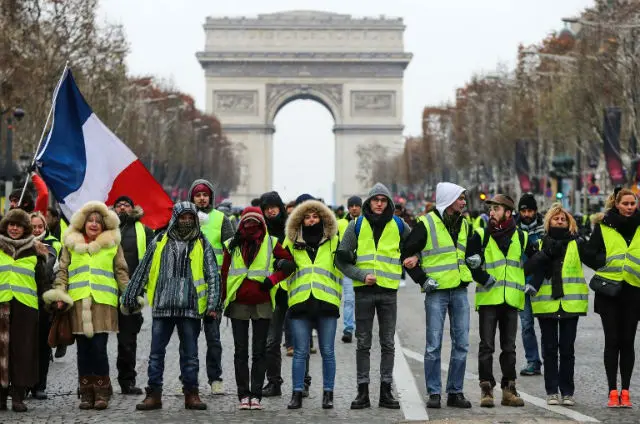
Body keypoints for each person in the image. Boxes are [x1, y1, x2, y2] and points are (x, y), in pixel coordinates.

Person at [123, 201, 222, 411]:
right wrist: (130, 295)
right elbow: (143, 269)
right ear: (175, 218)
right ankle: (154, 395)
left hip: (191, 308)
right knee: (156, 354)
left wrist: (212, 304)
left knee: (190, 355)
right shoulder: (160, 240)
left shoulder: (202, 243)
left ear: (195, 219)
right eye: (182, 217)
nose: (186, 221)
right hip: (162, 307)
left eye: (190, 217)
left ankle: (191, 394)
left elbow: (213, 275)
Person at [43, 201, 129, 410]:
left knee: (99, 349)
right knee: (83, 350)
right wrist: (60, 293)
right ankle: (86, 392)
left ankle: (101, 391)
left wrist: (128, 295)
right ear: (83, 223)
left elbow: (121, 271)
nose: (94, 224)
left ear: (104, 224)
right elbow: (63, 271)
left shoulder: (112, 244)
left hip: (103, 304)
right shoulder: (70, 244)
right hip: (78, 303)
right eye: (90, 220)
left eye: (98, 221)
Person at [336, 182, 410, 410]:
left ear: (388, 203)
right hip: (364, 292)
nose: (379, 204)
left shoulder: (399, 225)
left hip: (388, 292)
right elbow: (340, 260)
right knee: (363, 343)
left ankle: (386, 392)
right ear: (369, 202)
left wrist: (414, 257)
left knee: (388, 343)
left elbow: (417, 244)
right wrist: (361, 275)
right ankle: (363, 392)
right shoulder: (355, 225)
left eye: (383, 200)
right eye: (375, 200)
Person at [401, 182, 472, 409]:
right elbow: (405, 253)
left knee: (462, 344)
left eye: (463, 198)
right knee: (433, 345)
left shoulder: (465, 224)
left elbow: (471, 251)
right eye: (460, 198)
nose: (464, 202)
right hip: (436, 292)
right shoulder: (426, 223)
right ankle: (434, 393)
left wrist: (476, 260)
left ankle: (455, 392)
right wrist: (421, 278)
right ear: (449, 200)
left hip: (459, 290)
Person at [221, 207, 294, 410]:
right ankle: (243, 395)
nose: (251, 225)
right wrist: (221, 300)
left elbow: (290, 264)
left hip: (263, 303)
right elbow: (224, 274)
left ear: (261, 223)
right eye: (247, 222)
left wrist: (273, 280)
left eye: (254, 221)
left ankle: (256, 395)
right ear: (241, 223)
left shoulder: (271, 242)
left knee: (259, 351)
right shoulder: (232, 244)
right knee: (240, 352)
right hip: (238, 303)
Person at [466, 194, 528, 408]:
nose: (491, 213)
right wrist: (483, 277)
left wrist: (532, 281)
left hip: (511, 299)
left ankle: (509, 390)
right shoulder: (481, 235)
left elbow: (537, 260)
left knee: (509, 348)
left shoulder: (522, 237)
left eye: (496, 209)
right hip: (489, 298)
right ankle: (486, 390)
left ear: (508, 213)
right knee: (486, 346)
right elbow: (469, 262)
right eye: (490, 209)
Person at [580, 188, 640, 408]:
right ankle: (612, 391)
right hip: (609, 292)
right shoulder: (604, 226)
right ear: (617, 204)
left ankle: (626, 391)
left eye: (632, 204)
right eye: (625, 204)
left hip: (634, 291)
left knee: (628, 342)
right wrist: (604, 261)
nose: (629, 207)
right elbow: (588, 253)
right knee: (612, 341)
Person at [524, 204, 588, 406]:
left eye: (563, 219)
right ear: (548, 221)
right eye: (556, 218)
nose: (560, 221)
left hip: (570, 303)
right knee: (550, 350)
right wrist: (544, 254)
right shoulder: (539, 244)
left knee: (567, 350)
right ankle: (551, 391)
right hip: (546, 304)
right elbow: (527, 268)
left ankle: (567, 392)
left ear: (569, 223)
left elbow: (595, 258)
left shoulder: (577, 243)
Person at [283, 199, 341, 410]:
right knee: (300, 352)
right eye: (307, 217)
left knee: (327, 351)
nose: (311, 220)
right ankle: (297, 393)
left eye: (315, 216)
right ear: (300, 220)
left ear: (323, 219)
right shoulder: (290, 242)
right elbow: (279, 270)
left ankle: (328, 393)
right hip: (300, 303)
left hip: (327, 302)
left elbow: (344, 267)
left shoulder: (334, 241)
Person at [0, 209, 50, 412]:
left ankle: (18, 396)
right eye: (11, 224)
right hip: (1, 305)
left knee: (23, 352)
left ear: (25, 229)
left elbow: (43, 281)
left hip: (26, 308)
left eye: (19, 225)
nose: (14, 228)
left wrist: (51, 302)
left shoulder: (35, 250)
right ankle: (0, 396)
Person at [188, 179, 234, 395]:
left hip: (214, 287)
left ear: (211, 197)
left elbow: (231, 251)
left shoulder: (221, 219)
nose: (202, 198)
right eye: (198, 195)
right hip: (189, 286)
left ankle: (215, 378)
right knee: (189, 338)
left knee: (213, 338)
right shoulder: (184, 218)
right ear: (192, 198)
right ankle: (187, 379)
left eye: (205, 195)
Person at [111, 195, 154, 395]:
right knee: (97, 341)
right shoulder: (104, 229)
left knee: (127, 342)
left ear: (132, 208)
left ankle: (127, 381)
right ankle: (96, 382)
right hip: (105, 292)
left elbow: (152, 259)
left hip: (131, 294)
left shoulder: (144, 231)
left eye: (126, 205)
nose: (122, 208)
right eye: (118, 205)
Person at [260, 191, 294, 398]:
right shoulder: (260, 230)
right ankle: (274, 382)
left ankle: (303, 383)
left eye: (273, 207)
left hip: (294, 290)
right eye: (266, 208)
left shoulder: (293, 228)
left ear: (280, 207)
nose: (271, 211)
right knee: (271, 342)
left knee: (299, 341)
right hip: (272, 292)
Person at [28, 212, 58, 401]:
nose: (37, 230)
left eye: (40, 226)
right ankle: (23, 384)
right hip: (24, 300)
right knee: (24, 346)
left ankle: (40, 385)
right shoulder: (18, 247)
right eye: (33, 227)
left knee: (42, 347)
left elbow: (52, 272)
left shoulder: (52, 248)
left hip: (44, 303)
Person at [516, 193, 544, 377]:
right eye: (524, 211)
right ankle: (533, 361)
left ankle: (549, 360)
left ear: (535, 211)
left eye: (530, 211)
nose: (527, 214)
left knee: (547, 326)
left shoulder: (544, 229)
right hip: (521, 283)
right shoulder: (513, 230)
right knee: (526, 326)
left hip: (542, 284)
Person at [337, 196, 362, 344]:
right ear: (348, 208)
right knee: (349, 300)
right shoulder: (340, 223)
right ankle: (348, 329)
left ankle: (361, 328)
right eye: (351, 205)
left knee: (361, 300)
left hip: (363, 267)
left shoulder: (366, 223)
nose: (354, 208)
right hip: (347, 267)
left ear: (360, 207)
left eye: (356, 205)